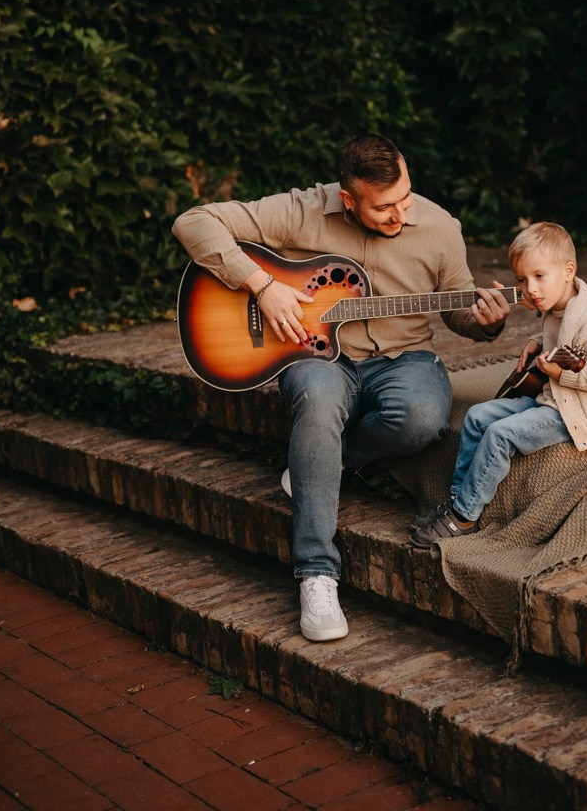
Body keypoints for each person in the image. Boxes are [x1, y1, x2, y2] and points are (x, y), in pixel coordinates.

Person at [172, 133, 511, 641]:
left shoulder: (440, 226)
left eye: (405, 198)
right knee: (319, 398)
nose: (400, 214)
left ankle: (326, 462)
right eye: (383, 208)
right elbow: (192, 221)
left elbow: (457, 308)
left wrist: (487, 322)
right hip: (315, 355)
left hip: (404, 358)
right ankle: (316, 573)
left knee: (421, 418)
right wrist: (262, 286)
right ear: (348, 199)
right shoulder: (302, 210)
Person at [408, 221, 587, 548]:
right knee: (476, 418)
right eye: (521, 279)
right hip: (554, 397)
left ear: (568, 271)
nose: (530, 289)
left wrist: (561, 375)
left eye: (539, 277)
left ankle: (465, 518)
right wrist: (536, 340)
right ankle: (459, 500)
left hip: (583, 411)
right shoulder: (558, 306)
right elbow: (561, 337)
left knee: (500, 435)